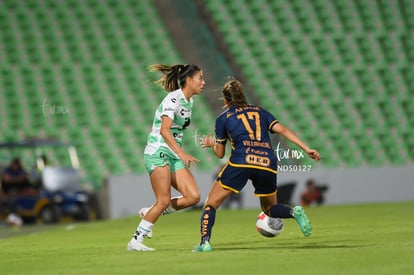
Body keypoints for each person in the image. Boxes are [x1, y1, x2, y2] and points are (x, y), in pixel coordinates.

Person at [194, 78, 321, 252]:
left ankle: (205, 243)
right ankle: (293, 213)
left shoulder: (223, 118)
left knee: (210, 204)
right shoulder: (261, 112)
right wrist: (307, 149)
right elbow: (282, 130)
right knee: (269, 208)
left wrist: (211, 145)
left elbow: (220, 153)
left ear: (225, 100)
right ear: (242, 95)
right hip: (267, 161)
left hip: (242, 161)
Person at [127, 64, 205, 251]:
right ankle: (136, 241)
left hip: (172, 153)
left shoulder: (189, 102)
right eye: (200, 78)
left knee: (193, 197)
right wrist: (182, 153)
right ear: (188, 80)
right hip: (158, 152)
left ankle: (149, 212)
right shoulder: (173, 99)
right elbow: (164, 130)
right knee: (162, 201)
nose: (203, 82)